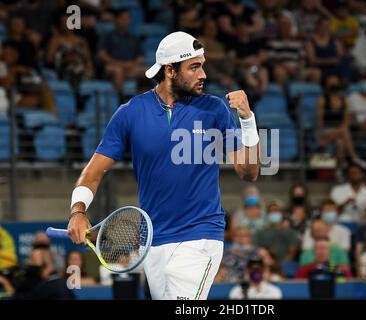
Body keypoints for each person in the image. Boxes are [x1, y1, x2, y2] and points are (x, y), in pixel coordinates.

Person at [67, 31, 260, 300]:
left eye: (202, 65)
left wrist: (247, 119)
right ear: (170, 70)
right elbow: (93, 172)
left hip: (200, 236)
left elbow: (249, 172)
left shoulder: (214, 110)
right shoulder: (131, 113)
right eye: (194, 67)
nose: (203, 74)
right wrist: (78, 211)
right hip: (153, 242)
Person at [316, 75, 366, 168]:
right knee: (343, 131)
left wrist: (342, 130)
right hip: (327, 132)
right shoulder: (322, 100)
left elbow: (346, 121)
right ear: (327, 85)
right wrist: (321, 137)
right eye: (331, 83)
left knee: (340, 143)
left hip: (341, 132)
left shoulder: (345, 100)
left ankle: (340, 168)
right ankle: (354, 157)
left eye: (335, 83)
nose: (333, 85)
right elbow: (319, 121)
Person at [97, 9, 148, 92]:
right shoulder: (107, 36)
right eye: (123, 19)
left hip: (130, 68)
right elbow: (102, 55)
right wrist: (118, 63)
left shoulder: (133, 38)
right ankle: (121, 101)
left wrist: (133, 64)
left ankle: (143, 100)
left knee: (146, 71)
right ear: (116, 20)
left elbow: (140, 57)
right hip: (112, 66)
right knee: (118, 71)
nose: (125, 21)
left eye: (127, 19)